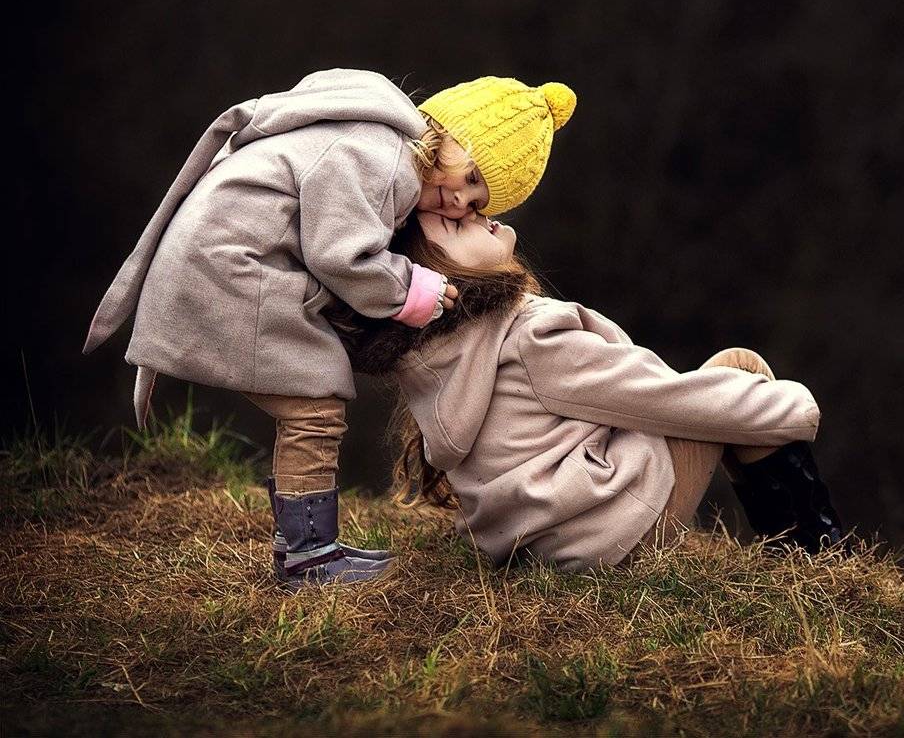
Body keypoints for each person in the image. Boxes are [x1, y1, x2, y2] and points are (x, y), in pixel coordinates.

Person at [83, 68, 576, 588]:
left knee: (312, 397)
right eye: (472, 178)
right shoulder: (383, 161)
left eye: (477, 205)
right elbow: (340, 255)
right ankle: (309, 557)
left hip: (223, 263)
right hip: (232, 269)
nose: (460, 204)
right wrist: (411, 288)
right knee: (314, 407)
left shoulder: (373, 142)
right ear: (453, 136)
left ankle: (302, 547)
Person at [337, 209, 844, 572]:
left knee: (724, 392)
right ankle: (820, 560)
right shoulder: (530, 337)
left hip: (540, 542)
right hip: (609, 534)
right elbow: (660, 398)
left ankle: (805, 552)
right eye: (457, 224)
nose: (476, 213)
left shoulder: (436, 352)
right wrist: (794, 408)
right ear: (445, 273)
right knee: (740, 370)